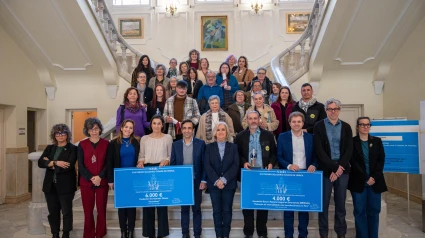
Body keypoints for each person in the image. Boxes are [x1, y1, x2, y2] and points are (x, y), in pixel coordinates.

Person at [314, 98, 353, 238]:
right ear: (326, 111)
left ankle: (340, 232)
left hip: (342, 171)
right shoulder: (319, 126)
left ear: (339, 110)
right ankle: (323, 233)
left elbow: (349, 149)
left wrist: (339, 168)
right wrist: (333, 168)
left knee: (340, 204)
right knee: (323, 204)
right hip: (325, 170)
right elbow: (319, 150)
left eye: (335, 109)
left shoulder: (347, 127)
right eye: (330, 109)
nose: (333, 111)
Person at [235, 110, 276, 238]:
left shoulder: (268, 135)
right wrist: (244, 162)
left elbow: (274, 153)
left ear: (259, 120)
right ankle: (248, 231)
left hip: (263, 174)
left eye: (255, 118)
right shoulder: (240, 136)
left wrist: (271, 163)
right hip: (247, 175)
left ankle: (262, 232)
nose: (253, 121)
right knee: (247, 205)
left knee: (263, 205)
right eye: (250, 118)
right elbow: (237, 154)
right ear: (247, 120)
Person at [277, 112, 317, 238]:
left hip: (306, 176)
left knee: (303, 209)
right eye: (293, 121)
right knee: (288, 209)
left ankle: (303, 235)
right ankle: (288, 235)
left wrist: (314, 165)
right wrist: (289, 165)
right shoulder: (282, 137)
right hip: (290, 175)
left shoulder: (311, 137)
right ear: (289, 123)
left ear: (303, 123)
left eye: (299, 121)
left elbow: (317, 156)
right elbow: (279, 156)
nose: (296, 124)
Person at [348, 117, 387, 238]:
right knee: (359, 212)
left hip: (375, 182)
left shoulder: (377, 141)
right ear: (357, 127)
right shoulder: (351, 142)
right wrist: (366, 177)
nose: (365, 127)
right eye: (362, 124)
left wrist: (373, 177)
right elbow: (352, 162)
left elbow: (381, 161)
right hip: (359, 182)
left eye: (368, 124)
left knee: (374, 211)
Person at [38, 124, 77, 238]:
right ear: (54, 135)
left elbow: (68, 166)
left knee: (66, 212)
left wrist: (49, 162)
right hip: (50, 186)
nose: (60, 135)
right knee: (53, 212)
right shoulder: (50, 148)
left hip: (66, 186)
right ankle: (55, 234)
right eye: (57, 133)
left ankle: (66, 233)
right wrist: (56, 163)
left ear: (67, 135)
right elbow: (41, 162)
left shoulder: (73, 148)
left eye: (63, 133)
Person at [137, 115, 173, 238]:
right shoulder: (144, 139)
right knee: (148, 203)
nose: (156, 126)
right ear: (151, 125)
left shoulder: (168, 138)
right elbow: (141, 155)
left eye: (159, 123)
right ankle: (149, 233)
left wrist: (167, 161)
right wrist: (140, 162)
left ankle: (162, 233)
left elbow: (170, 155)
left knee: (162, 203)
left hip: (162, 169)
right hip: (147, 170)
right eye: (154, 123)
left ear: (162, 125)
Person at [170, 119, 207, 238]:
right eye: (184, 128)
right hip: (182, 182)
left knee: (196, 209)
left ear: (193, 130)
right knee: (184, 209)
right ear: (181, 130)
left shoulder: (200, 144)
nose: (187, 130)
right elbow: (173, 164)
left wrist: (203, 180)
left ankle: (197, 234)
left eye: (189, 128)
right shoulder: (175, 145)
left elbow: (204, 164)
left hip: (196, 181)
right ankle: (185, 234)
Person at [204, 122, 239, 238]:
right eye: (218, 130)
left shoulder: (233, 147)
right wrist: (217, 180)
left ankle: (226, 235)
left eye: (223, 130)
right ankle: (219, 235)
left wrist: (223, 180)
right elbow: (207, 166)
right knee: (217, 211)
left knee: (227, 211)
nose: (220, 132)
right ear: (215, 133)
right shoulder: (209, 147)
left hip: (229, 185)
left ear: (227, 132)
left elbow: (235, 165)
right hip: (214, 185)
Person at [106, 119, 140, 238]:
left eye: (130, 128)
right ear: (121, 128)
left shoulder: (136, 142)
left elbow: (139, 159)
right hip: (119, 177)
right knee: (122, 206)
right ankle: (123, 232)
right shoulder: (113, 143)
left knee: (132, 205)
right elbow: (109, 162)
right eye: (126, 127)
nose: (128, 130)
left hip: (133, 177)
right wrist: (110, 180)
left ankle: (130, 231)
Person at [78, 118, 109, 238]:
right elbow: (80, 165)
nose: (94, 131)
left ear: (100, 129)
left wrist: (100, 176)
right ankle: (89, 234)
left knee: (101, 209)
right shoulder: (82, 145)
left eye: (96, 128)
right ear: (87, 131)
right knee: (88, 210)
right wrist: (91, 177)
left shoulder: (107, 144)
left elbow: (108, 163)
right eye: (91, 129)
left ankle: (100, 233)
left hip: (102, 182)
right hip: (86, 183)